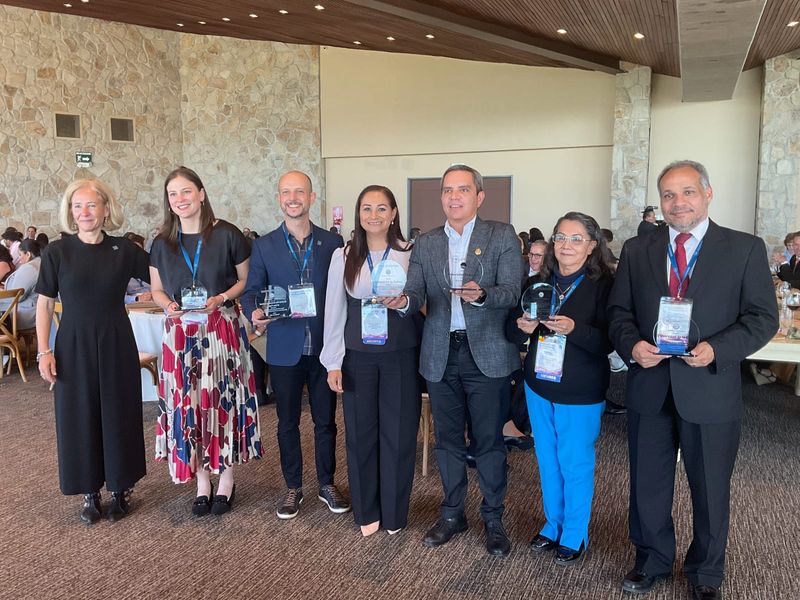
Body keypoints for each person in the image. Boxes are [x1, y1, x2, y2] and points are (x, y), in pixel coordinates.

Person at [608, 160, 778, 599]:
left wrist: (718, 349)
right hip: (650, 383)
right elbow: (619, 313)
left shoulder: (743, 248)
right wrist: (631, 347)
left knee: (710, 488)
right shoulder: (636, 249)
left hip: (709, 388)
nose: (677, 203)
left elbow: (762, 318)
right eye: (668, 195)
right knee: (647, 483)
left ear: (707, 194)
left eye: (687, 192)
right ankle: (651, 560)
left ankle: (705, 572)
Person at [385, 164, 523, 556]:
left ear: (479, 196)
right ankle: (452, 513)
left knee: (488, 441)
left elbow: (513, 291)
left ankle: (493, 517)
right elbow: (415, 292)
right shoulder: (426, 243)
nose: (454, 197)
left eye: (463, 190)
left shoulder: (501, 235)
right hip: (441, 354)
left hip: (488, 353)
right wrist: (403, 302)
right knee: (447, 441)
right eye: (447, 190)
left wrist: (482, 295)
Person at [35, 178, 150, 524]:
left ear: (105, 210)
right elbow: (44, 305)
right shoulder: (56, 252)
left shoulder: (125, 250)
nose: (84, 212)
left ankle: (120, 487)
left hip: (116, 339)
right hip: (72, 343)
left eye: (91, 205)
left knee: (119, 411)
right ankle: (89, 492)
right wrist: (43, 351)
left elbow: (162, 275)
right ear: (71, 212)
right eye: (77, 206)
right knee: (79, 414)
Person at [149, 166, 262, 516]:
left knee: (222, 402)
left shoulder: (227, 234)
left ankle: (226, 477)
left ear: (201, 193)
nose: (180, 199)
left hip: (220, 331)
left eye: (186, 192)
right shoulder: (162, 243)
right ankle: (201, 479)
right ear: (168, 202)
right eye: (173, 194)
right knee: (189, 406)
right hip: (181, 334)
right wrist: (166, 304)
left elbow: (247, 279)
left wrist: (223, 297)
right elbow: (156, 288)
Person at [242, 170, 349, 520]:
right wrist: (254, 310)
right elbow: (251, 291)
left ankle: (326, 483)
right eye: (286, 192)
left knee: (325, 421)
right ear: (279, 198)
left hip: (323, 348)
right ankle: (292, 487)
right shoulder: (264, 245)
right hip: (285, 346)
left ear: (311, 197)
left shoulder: (332, 244)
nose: (293, 198)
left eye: (299, 192)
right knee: (286, 422)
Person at [510, 212, 613, 566]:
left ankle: (574, 532)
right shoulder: (540, 281)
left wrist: (574, 329)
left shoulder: (604, 285)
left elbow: (610, 343)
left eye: (576, 238)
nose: (566, 245)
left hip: (580, 389)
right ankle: (552, 524)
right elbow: (513, 330)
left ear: (592, 246)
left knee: (575, 462)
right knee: (547, 460)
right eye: (561, 237)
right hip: (539, 384)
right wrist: (521, 327)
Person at [320, 185, 420, 537]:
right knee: (361, 435)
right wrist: (332, 361)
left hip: (399, 354)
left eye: (381, 208)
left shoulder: (411, 253)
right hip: (357, 357)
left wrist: (404, 301)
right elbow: (334, 310)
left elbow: (423, 302)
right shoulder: (343, 255)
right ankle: (367, 511)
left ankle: (394, 513)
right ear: (358, 215)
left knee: (398, 434)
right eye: (366, 208)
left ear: (394, 213)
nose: (374, 215)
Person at [0, 239, 42, 329]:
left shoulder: (31, 268)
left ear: (28, 254)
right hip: (33, 310)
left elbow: (17, 296)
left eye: (20, 254)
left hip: (25, 313)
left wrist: (2, 293)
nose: (19, 259)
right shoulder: (40, 263)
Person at [123, 232, 152, 303]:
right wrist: (137, 298)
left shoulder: (150, 267)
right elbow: (119, 297)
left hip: (154, 304)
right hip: (133, 307)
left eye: (140, 251)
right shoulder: (120, 270)